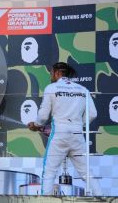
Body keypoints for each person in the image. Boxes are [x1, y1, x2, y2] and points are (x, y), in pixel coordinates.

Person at [27, 62, 102, 196]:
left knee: (49, 172)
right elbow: (93, 114)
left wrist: (36, 125)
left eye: (51, 73)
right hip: (77, 134)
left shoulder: (51, 88)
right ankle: (101, 197)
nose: (50, 76)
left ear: (57, 72)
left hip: (59, 134)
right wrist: (78, 124)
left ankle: (46, 200)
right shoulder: (82, 89)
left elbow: (43, 116)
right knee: (86, 172)